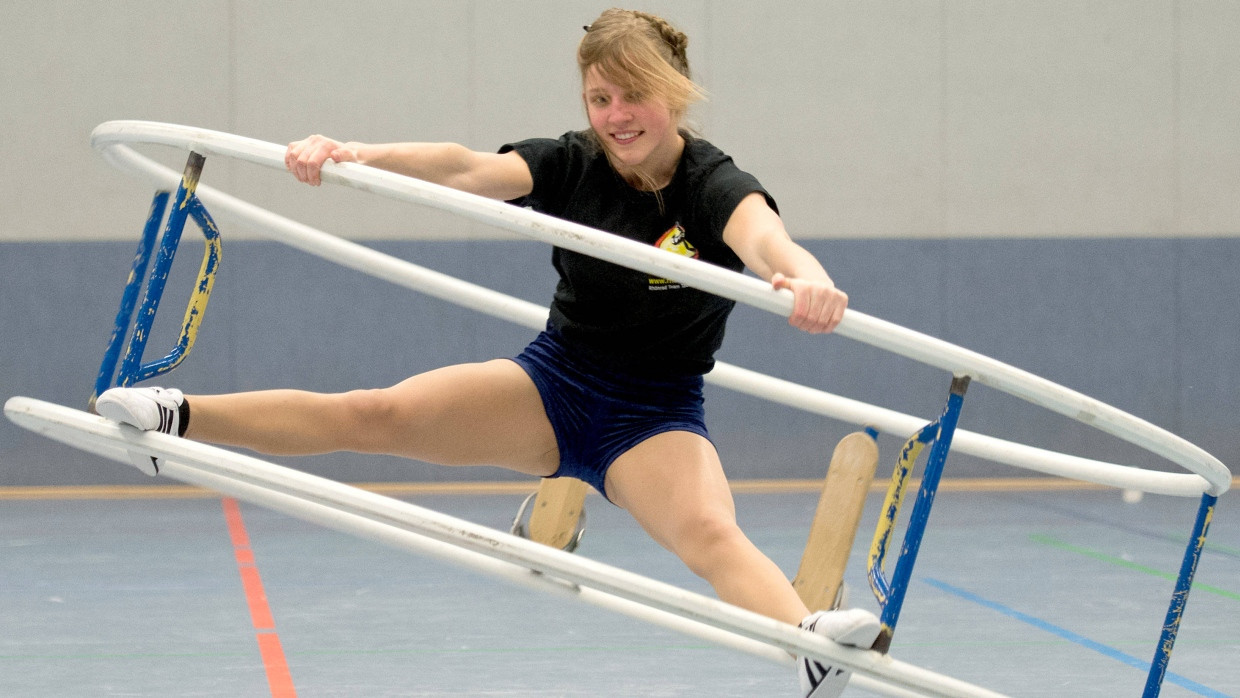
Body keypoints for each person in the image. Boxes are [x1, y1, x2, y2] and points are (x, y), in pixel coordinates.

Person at [96, 8, 879, 696]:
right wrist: (350, 153)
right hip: (553, 383)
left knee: (709, 535)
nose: (616, 117)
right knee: (374, 413)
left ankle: (809, 646)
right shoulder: (574, 161)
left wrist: (808, 282)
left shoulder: (712, 182)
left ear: (673, 93)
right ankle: (175, 414)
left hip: (654, 416)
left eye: (631, 96)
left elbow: (767, 240)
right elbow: (463, 166)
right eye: (598, 99)